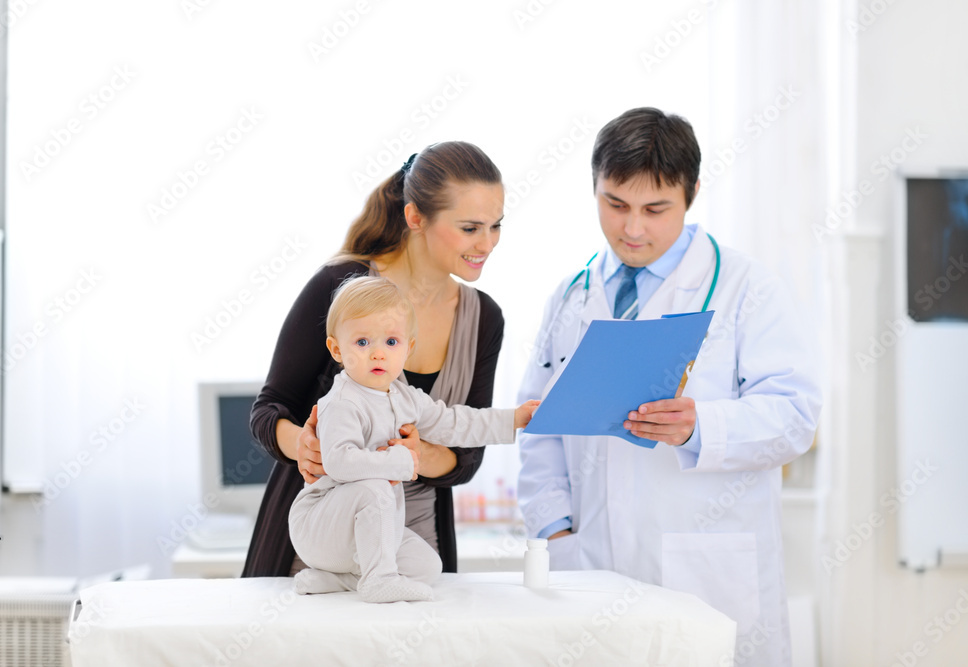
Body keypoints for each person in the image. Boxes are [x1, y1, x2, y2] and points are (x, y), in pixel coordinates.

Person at [516, 108, 822, 666]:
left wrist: (700, 426)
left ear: (692, 193)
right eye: (615, 204)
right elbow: (537, 425)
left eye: (655, 209)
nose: (633, 228)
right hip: (590, 569)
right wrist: (555, 531)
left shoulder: (746, 288)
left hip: (707, 573)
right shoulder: (570, 296)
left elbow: (795, 417)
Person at [243, 142, 507, 578]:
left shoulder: (484, 319)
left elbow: (467, 456)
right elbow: (268, 409)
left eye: (496, 226)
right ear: (416, 217)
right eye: (470, 228)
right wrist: (305, 447)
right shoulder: (340, 285)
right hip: (322, 543)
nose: (487, 243)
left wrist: (419, 453)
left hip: (417, 540)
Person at [289, 276, 539, 602]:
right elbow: (338, 462)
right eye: (362, 342)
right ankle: (378, 581)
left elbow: (456, 422)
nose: (378, 354)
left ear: (409, 348)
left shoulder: (405, 397)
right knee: (375, 484)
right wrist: (398, 461)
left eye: (391, 342)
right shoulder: (341, 403)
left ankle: (343, 578)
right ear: (337, 349)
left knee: (427, 566)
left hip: (356, 538)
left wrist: (513, 419)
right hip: (319, 528)